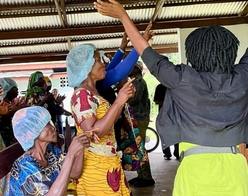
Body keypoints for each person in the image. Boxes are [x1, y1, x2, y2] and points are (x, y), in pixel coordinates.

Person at [94, 1, 248, 195]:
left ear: (193, 54)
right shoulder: (243, 77)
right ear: (230, 51)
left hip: (194, 170)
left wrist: (124, 16)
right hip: (236, 169)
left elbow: (145, 51)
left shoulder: (181, 78)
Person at [67, 43, 135, 195]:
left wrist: (122, 100)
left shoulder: (93, 92)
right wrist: (118, 101)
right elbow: (94, 132)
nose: (103, 63)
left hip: (107, 162)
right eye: (98, 59)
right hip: (96, 167)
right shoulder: (81, 95)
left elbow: (109, 121)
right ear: (86, 66)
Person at [9, 106, 97, 196]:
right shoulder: (25, 166)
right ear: (32, 132)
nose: (53, 127)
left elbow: (74, 173)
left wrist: (80, 145)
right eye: (47, 124)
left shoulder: (51, 151)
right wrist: (71, 154)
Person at [124, 63, 155, 187]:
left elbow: (135, 98)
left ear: (137, 69)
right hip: (136, 117)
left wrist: (121, 100)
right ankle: (141, 176)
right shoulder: (133, 81)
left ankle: (147, 178)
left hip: (140, 117)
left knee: (140, 147)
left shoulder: (139, 82)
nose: (128, 69)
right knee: (137, 147)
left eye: (131, 67)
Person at [154, 84, 179, 160]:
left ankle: (176, 152)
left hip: (174, 114)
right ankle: (167, 153)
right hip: (164, 114)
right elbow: (157, 101)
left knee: (176, 133)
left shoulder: (175, 86)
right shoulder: (160, 87)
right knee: (164, 133)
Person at [0, 77, 25, 146]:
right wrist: (13, 111)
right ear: (7, 89)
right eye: (14, 88)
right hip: (4, 138)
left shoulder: (10, 103)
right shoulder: (0, 104)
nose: (17, 89)